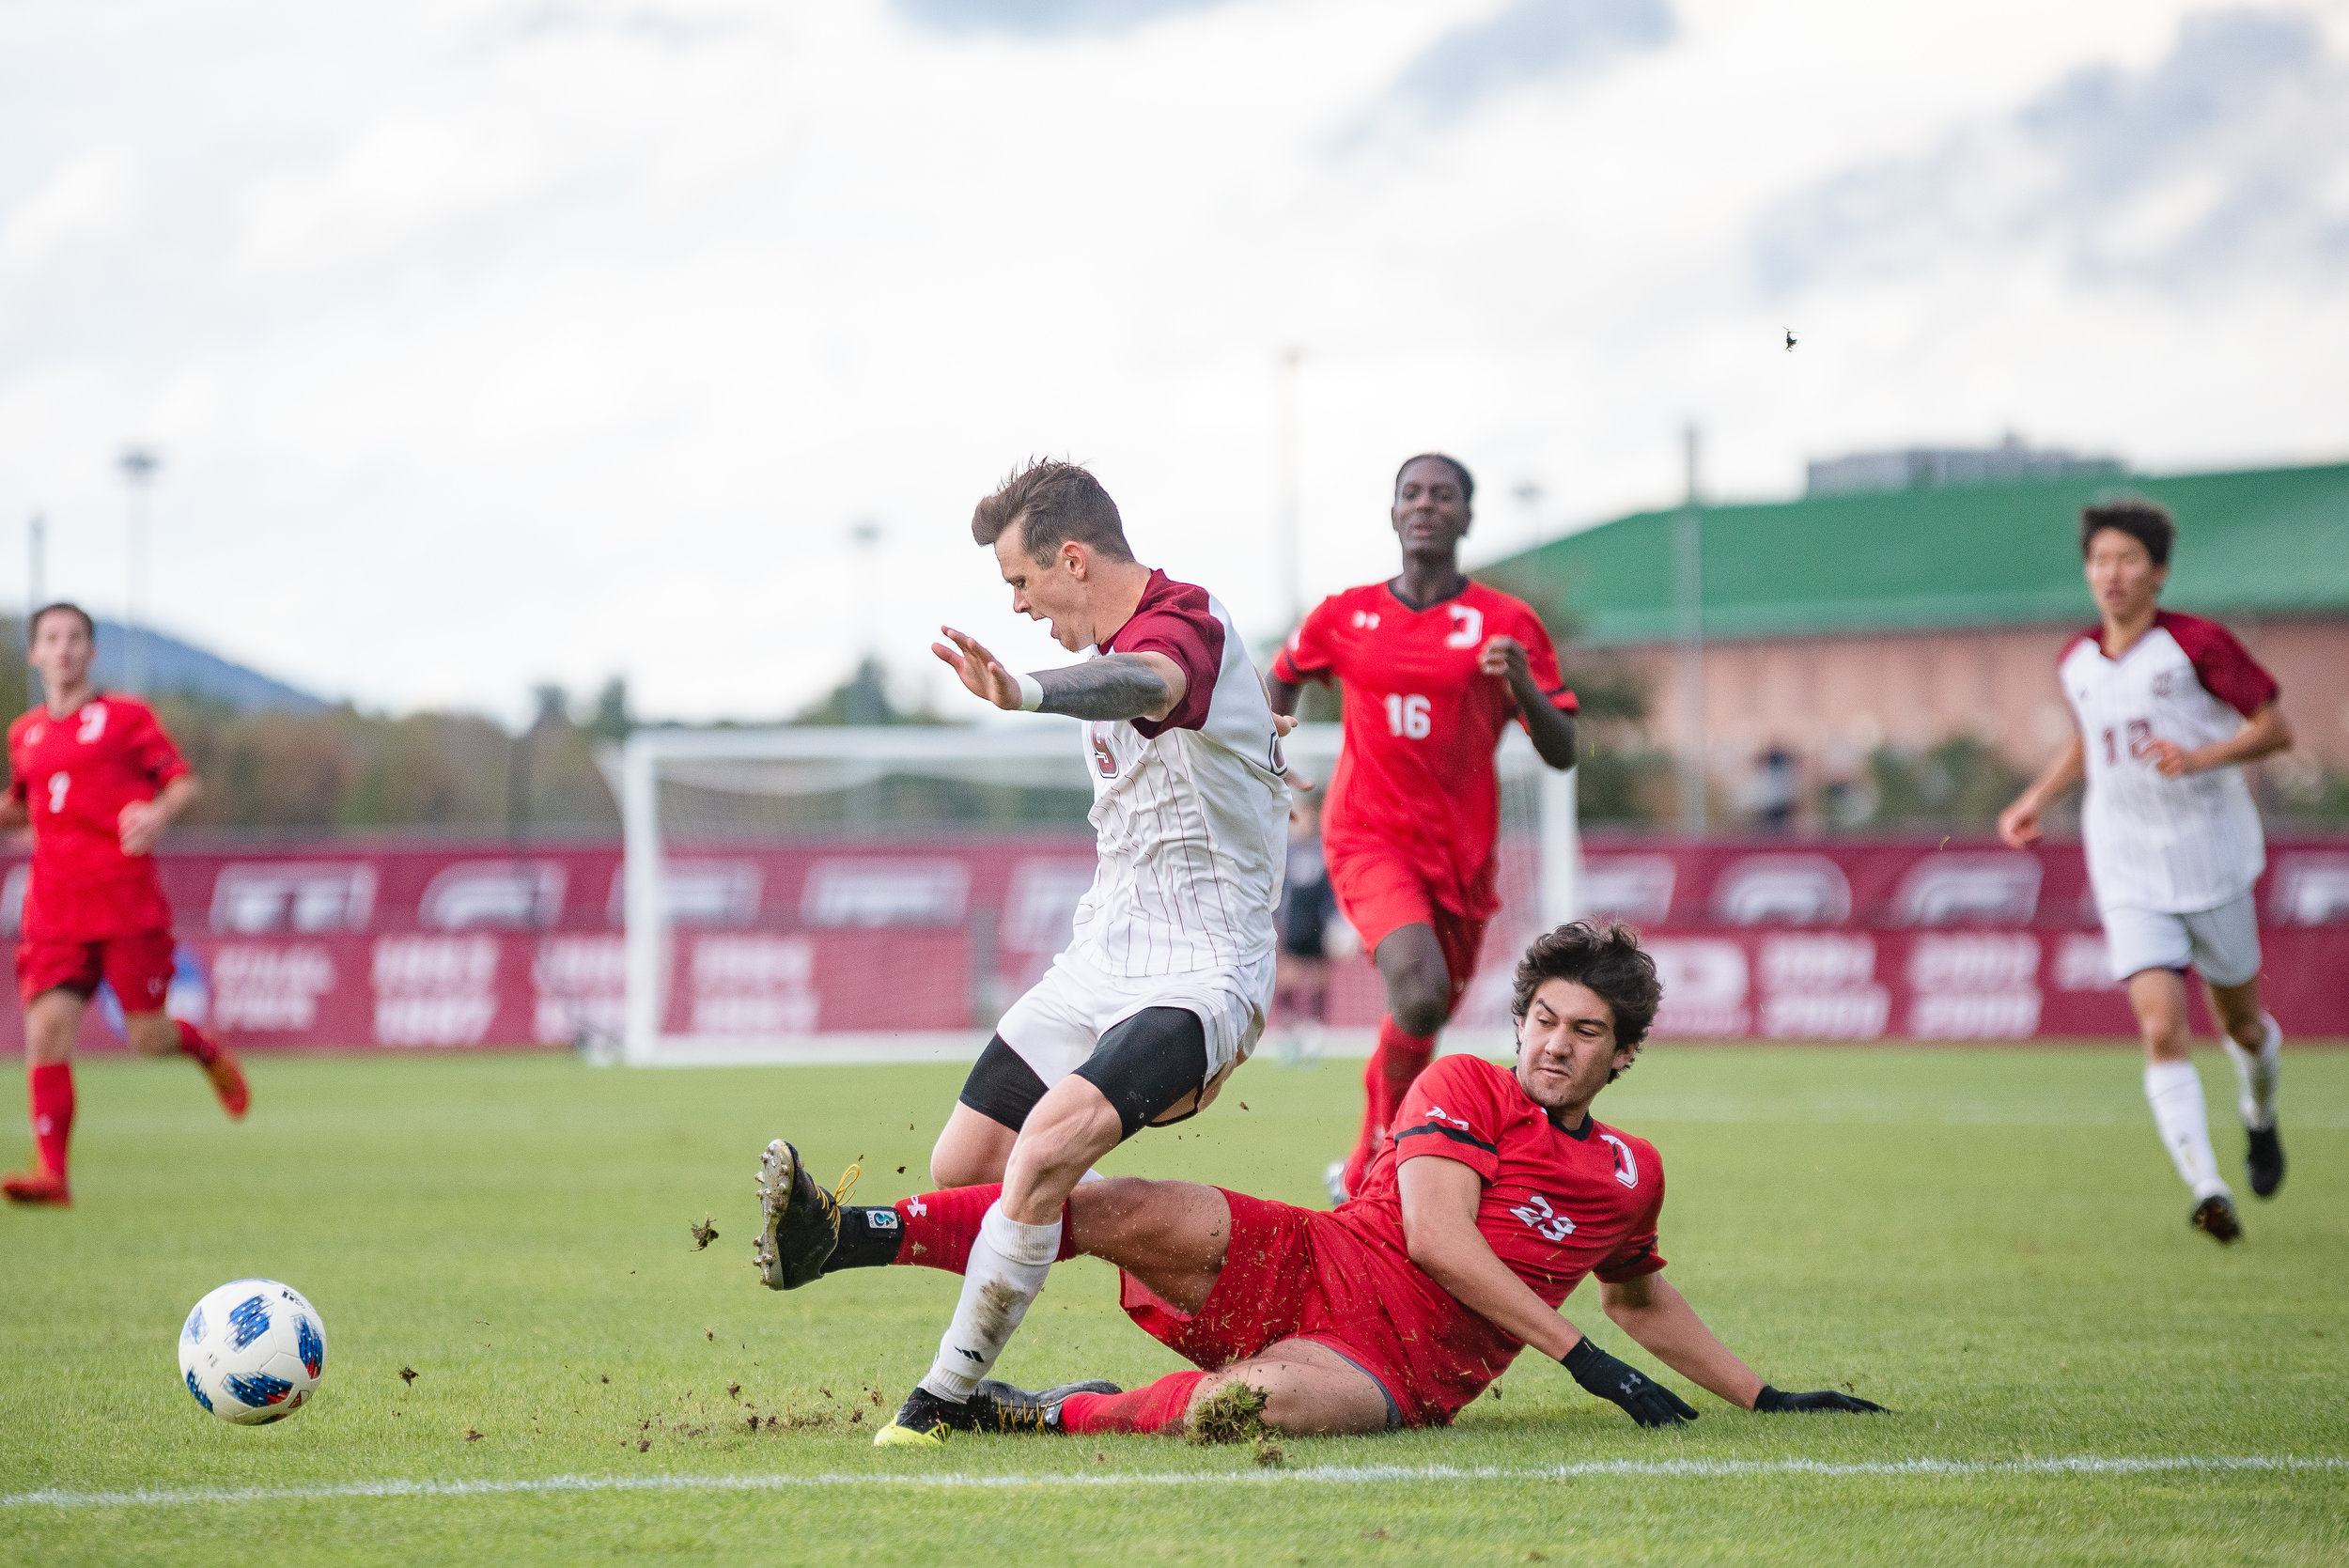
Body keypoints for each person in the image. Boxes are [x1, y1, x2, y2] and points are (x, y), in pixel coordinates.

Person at [752, 922, 1884, 1441]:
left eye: (1584, 1033)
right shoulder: (1464, 1083)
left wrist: (1760, 1396)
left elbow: (1638, 1296)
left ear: (1622, 1052)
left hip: (1394, 1365)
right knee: (1108, 1200)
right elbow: (1438, 1238)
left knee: (1248, 1409)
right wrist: (1580, 1361)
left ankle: (1039, 1412)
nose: (1552, 1045)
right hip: (1318, 1258)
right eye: (1541, 1019)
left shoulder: (1633, 1173)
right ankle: (840, 1234)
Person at [757, 460, 1289, 1443]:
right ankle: (1114, 1230)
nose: (1019, 607)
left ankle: (939, 1400)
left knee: (1042, 1152)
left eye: (1021, 584)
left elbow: (1147, 680)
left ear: (1073, 558)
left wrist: (1031, 691)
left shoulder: (1180, 624)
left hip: (1199, 975)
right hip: (1101, 956)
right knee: (968, 1165)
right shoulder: (1166, 651)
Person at [1265, 454, 1578, 1203]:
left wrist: (1523, 688)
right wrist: (1266, 763)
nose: (1426, 504)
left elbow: (1563, 750)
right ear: (1393, 511)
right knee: (1419, 987)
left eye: (1443, 495)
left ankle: (1363, 1159)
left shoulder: (1507, 623)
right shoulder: (1345, 615)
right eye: (1412, 492)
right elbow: (1280, 678)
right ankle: (1377, 1162)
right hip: (1367, 837)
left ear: (1467, 517)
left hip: (1461, 858)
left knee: (1424, 1011)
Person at [1999, 500, 2294, 1244]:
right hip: (2127, 865)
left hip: (2211, 857)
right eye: (2101, 560)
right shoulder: (2079, 660)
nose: (2113, 574)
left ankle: (2259, 1115)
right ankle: (2207, 1183)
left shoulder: (2197, 644)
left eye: (2129, 559)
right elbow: (2090, 743)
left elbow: (2276, 727)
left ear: (2158, 571)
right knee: (2161, 1025)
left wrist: (2201, 757)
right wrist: (2035, 797)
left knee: (2244, 1027)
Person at [2, 603, 247, 1206]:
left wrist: (158, 813)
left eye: (76, 638)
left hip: (124, 903)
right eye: (52, 639)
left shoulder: (125, 717)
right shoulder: (25, 733)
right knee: (46, 1032)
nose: (64, 649)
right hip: (54, 910)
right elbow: (23, 808)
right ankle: (53, 1176)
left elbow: (183, 782)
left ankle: (204, 1050)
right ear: (35, 653)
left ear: (91, 651)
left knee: (148, 1039)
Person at [1270, 785, 1343, 1058]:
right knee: (1287, 978)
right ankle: (1289, 1032)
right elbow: (1278, 889)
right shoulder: (1284, 852)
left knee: (1318, 979)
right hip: (1292, 924)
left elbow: (1331, 889)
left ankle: (1314, 1031)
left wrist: (1336, 921)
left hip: (1318, 925)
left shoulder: (1324, 850)